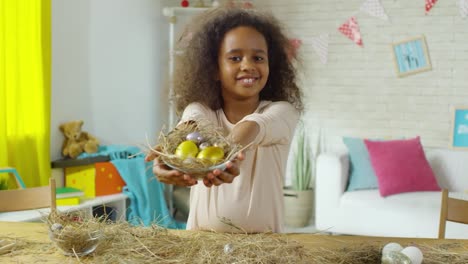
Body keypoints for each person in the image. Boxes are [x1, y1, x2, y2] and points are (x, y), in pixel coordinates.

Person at [146, 7, 303, 233]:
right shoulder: (202, 111)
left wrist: (226, 154)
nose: (248, 65)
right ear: (214, 69)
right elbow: (191, 124)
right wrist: (168, 157)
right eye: (235, 57)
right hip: (201, 245)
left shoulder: (282, 111)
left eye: (258, 57)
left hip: (264, 248)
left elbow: (253, 126)